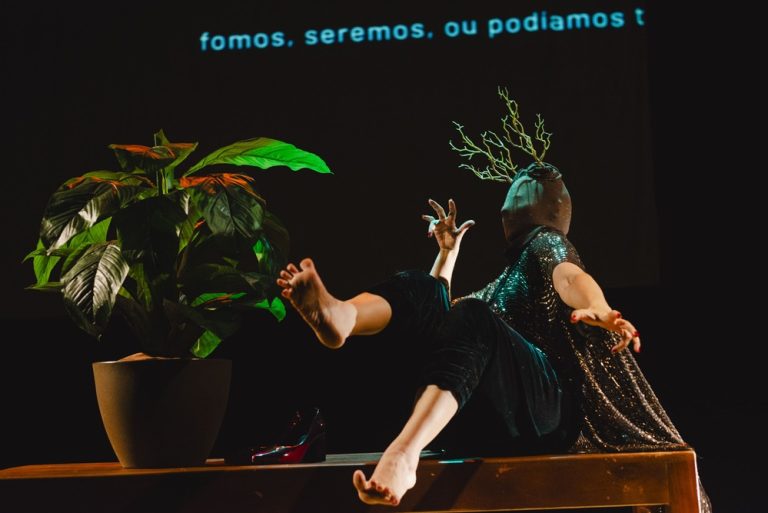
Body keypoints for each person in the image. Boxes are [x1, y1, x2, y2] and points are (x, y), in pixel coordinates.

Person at [276, 159, 710, 508]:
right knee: (432, 291)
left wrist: (597, 306)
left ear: (553, 210)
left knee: (469, 313)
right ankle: (343, 317)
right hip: (485, 419)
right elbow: (445, 327)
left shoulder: (545, 243)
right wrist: (447, 255)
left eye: (530, 182)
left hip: (548, 419)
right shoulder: (496, 290)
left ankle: (402, 455)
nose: (520, 184)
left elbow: (569, 275)